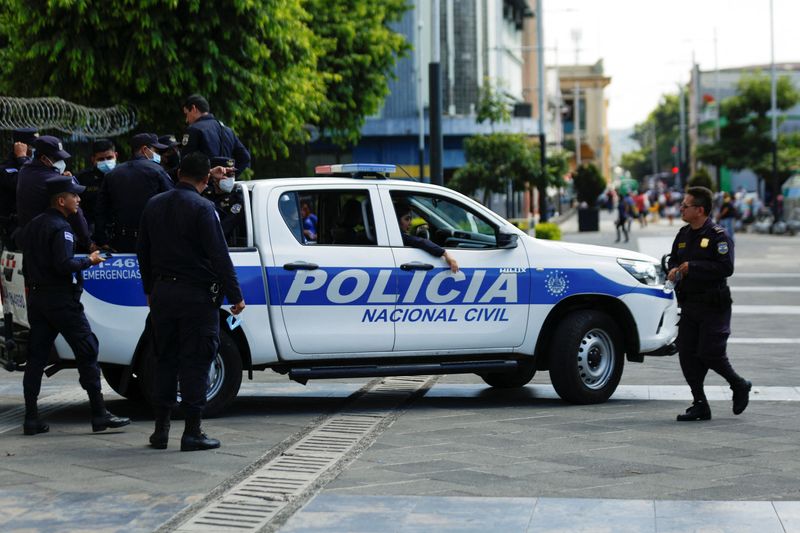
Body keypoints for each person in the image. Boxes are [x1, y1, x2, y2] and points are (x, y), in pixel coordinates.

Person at [136, 152, 245, 451]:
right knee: (196, 361)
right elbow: (219, 256)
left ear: (178, 173)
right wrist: (235, 296)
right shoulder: (204, 208)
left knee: (164, 359)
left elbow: (142, 252)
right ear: (206, 179)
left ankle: (160, 431)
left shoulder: (154, 205)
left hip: (162, 295)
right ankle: (192, 431)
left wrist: (149, 289)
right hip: (196, 297)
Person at [17, 177, 130, 435]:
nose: (78, 200)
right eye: (74, 196)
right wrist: (90, 261)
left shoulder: (33, 225)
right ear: (61, 200)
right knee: (88, 350)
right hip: (61, 301)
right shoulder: (62, 229)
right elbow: (64, 265)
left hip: (38, 299)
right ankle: (100, 414)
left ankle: (31, 418)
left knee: (36, 358)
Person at [667, 186, 751, 422]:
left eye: (685, 205)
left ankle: (739, 384)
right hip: (689, 303)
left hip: (714, 304)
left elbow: (726, 267)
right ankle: (700, 403)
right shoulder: (683, 234)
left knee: (710, 352)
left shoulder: (718, 235)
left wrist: (693, 267)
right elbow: (673, 259)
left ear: (700, 210)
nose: (681, 208)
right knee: (687, 354)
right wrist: (672, 269)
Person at [94, 133, 173, 251]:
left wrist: (102, 240)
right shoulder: (158, 171)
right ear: (145, 149)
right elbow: (172, 203)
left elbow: (101, 210)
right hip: (154, 240)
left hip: (121, 240)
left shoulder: (112, 174)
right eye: (156, 151)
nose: (158, 155)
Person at [16, 135, 93, 252]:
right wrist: (88, 242)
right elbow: (74, 212)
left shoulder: (25, 170)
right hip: (52, 241)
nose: (61, 162)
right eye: (57, 159)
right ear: (43, 158)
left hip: (30, 239)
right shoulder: (51, 179)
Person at [181, 94, 251, 176]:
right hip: (225, 186)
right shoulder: (227, 130)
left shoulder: (194, 129)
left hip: (203, 186)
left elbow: (186, 164)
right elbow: (245, 158)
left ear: (193, 109)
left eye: (186, 114)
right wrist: (230, 175)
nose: (186, 120)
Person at [394, 200, 458, 273]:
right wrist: (445, 254)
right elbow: (420, 242)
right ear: (397, 220)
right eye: (407, 219)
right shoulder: (401, 238)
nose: (410, 223)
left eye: (410, 219)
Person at [1, 128, 38, 249]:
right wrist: (22, 158)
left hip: (35, 227)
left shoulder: (37, 165)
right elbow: (26, 183)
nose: (35, 150)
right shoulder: (6, 169)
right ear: (20, 146)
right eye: (32, 146)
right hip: (13, 230)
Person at [75, 139, 119, 233]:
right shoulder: (83, 178)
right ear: (93, 159)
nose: (106, 162)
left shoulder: (124, 175)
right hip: (92, 229)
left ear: (116, 155)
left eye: (109, 158)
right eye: (101, 159)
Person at [202, 156, 244, 243]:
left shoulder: (237, 199)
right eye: (226, 174)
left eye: (232, 175)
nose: (230, 179)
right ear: (214, 177)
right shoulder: (204, 193)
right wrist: (209, 172)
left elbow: (223, 229)